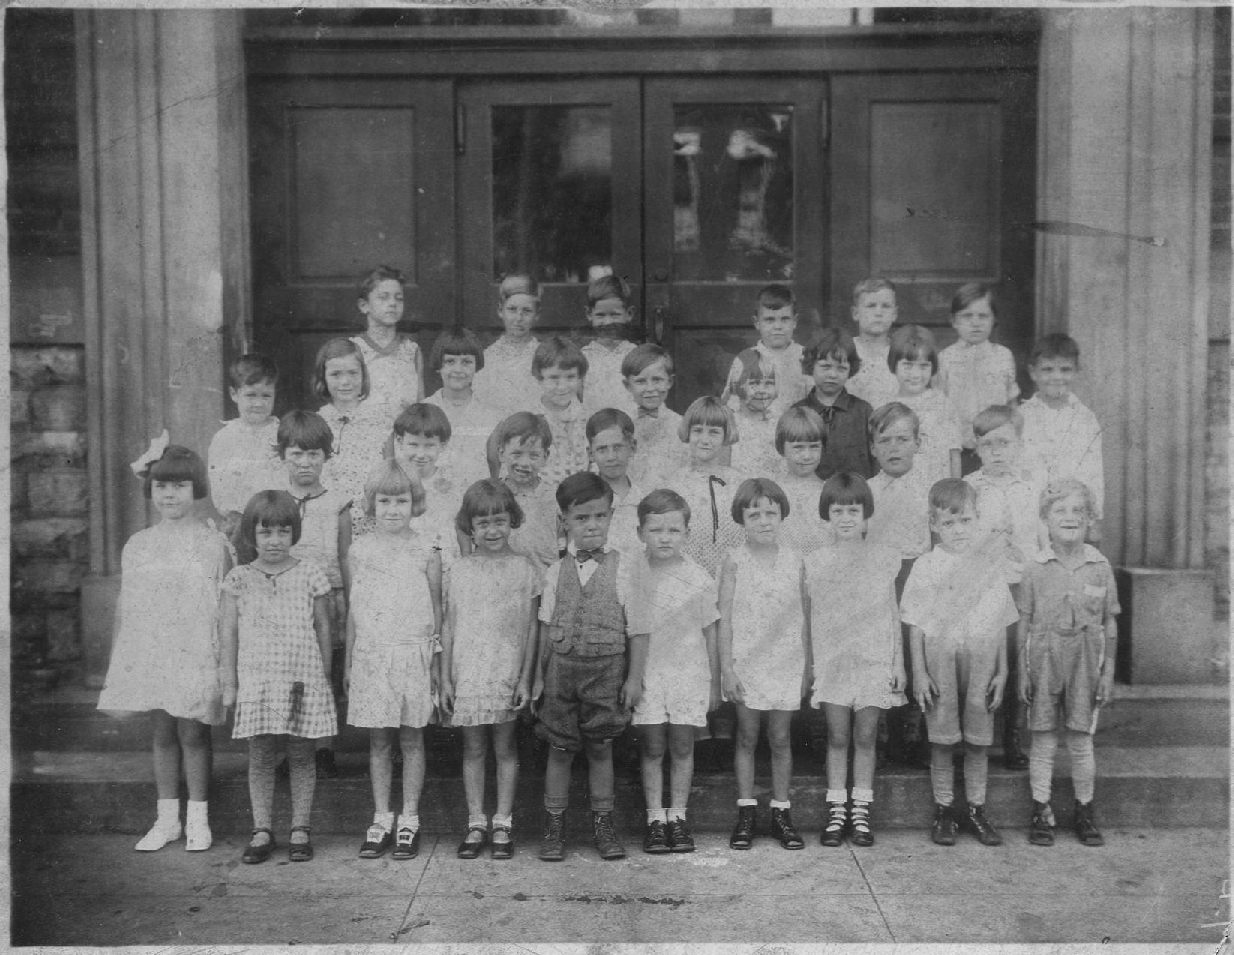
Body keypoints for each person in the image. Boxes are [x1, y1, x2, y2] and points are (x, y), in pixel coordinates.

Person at [98, 443, 231, 852]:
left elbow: (222, 606)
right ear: (150, 489)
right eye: (161, 486)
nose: (170, 495)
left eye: (179, 485)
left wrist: (223, 662)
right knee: (162, 732)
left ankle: (198, 819)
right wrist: (122, 660)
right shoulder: (139, 544)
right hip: (155, 650)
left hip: (196, 649)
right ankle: (167, 819)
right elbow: (128, 605)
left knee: (193, 732)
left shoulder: (212, 543)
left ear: (196, 489)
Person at [533, 472, 650, 862]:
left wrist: (634, 679)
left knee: (601, 747)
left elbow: (639, 629)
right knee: (559, 748)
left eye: (600, 516)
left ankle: (604, 825)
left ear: (611, 516)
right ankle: (553, 828)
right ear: (564, 520)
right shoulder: (555, 572)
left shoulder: (626, 568)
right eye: (582, 518)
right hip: (561, 673)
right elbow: (545, 627)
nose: (592, 525)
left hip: (606, 674)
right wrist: (538, 676)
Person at [901, 479, 1018, 848]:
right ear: (934, 525)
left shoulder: (989, 566)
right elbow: (916, 624)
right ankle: (944, 809)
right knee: (942, 738)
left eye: (965, 521)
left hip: (982, 660)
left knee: (978, 740)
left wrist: (1002, 671)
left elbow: (1000, 623)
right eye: (949, 523)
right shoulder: (926, 566)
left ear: (977, 519)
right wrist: (920, 672)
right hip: (940, 661)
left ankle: (976, 809)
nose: (958, 530)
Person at [221, 490, 335, 864]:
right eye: (265, 532)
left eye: (283, 532)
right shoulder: (239, 578)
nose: (274, 541)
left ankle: (300, 828)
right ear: (251, 534)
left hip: (301, 678)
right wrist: (230, 683)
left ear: (294, 533)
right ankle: (262, 829)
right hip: (258, 681)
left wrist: (324, 675)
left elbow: (323, 626)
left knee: (302, 754)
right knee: (261, 754)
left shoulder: (310, 574)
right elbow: (228, 633)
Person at [345, 461, 442, 862]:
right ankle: (381, 816)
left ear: (414, 503)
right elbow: (354, 610)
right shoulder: (360, 550)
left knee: (412, 738)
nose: (392, 509)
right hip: (372, 655)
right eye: (384, 501)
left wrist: (435, 662)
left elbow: (437, 610)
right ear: (372, 504)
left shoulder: (427, 549)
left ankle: (410, 819)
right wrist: (350, 661)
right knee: (379, 739)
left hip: (413, 652)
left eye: (401, 501)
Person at [443, 480, 542, 859]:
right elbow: (449, 625)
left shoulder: (524, 568)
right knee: (473, 748)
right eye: (482, 523)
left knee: (505, 747)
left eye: (499, 521)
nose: (492, 530)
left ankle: (503, 822)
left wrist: (525, 678)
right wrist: (445, 678)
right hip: (469, 671)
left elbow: (532, 628)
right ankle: (475, 822)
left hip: (506, 670)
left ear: (511, 520)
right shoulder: (459, 570)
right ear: (469, 526)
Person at [1018, 479, 1120, 848]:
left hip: (1085, 661)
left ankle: (1084, 809)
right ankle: (1041, 809)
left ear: (1090, 518)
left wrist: (1108, 672)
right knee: (1043, 737)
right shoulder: (1035, 567)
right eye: (1060, 510)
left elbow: (1109, 622)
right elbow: (1024, 622)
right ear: (1045, 519)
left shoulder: (1099, 566)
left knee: (1080, 737)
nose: (1070, 517)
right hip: (1044, 660)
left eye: (1078, 510)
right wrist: (1022, 672)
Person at [806, 472, 906, 847]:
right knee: (837, 736)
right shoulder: (816, 561)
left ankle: (860, 811)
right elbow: (812, 618)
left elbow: (892, 613)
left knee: (866, 735)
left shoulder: (883, 558)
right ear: (827, 515)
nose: (846, 518)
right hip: (834, 659)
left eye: (853, 510)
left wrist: (898, 662)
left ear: (866, 515)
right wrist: (814, 664)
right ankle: (837, 810)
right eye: (838, 511)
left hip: (873, 657)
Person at [718, 478, 810, 851]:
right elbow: (724, 618)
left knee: (780, 737)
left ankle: (781, 813)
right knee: (746, 735)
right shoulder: (734, 560)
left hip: (786, 659)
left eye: (770, 513)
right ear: (741, 519)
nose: (763, 521)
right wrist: (727, 668)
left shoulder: (795, 559)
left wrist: (807, 667)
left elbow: (805, 616)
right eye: (754, 514)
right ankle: (746, 813)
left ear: (781, 515)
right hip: (747, 660)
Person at [629, 489, 721, 854]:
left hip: (689, 673)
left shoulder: (698, 577)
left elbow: (710, 632)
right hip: (650, 673)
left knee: (683, 745)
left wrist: (712, 683)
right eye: (655, 530)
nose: (664, 538)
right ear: (640, 533)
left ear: (686, 533)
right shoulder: (633, 573)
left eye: (673, 530)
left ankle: (678, 817)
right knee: (653, 746)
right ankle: (655, 817)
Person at [965, 404, 1047, 770]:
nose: (997, 452)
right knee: (983, 659)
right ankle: (975, 734)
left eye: (1005, 443)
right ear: (977, 447)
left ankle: (1014, 737)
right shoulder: (970, 487)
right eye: (988, 444)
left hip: (1021, 585)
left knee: (1018, 659)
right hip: (983, 587)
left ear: (1019, 445)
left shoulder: (1032, 486)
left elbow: (1042, 539)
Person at [276, 410, 353, 780]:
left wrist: (351, 600)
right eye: (297, 454)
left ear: (326, 456)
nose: (305, 462)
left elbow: (345, 556)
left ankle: (324, 748)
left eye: (313, 454)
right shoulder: (276, 501)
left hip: (330, 598)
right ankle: (294, 749)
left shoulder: (338, 503)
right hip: (289, 601)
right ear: (283, 455)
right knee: (291, 675)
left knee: (327, 674)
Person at [865, 402, 933, 766]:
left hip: (918, 574)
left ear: (918, 443)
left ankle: (914, 733)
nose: (893, 448)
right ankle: (881, 733)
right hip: (878, 578)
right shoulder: (866, 491)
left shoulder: (929, 490)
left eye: (902, 439)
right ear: (873, 448)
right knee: (883, 650)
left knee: (916, 650)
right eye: (885, 440)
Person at [1018, 333, 1104, 541]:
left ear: (1076, 371)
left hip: (1071, 513)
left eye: (1065, 369)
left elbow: (1094, 472)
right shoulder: (1021, 416)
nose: (1057, 377)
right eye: (1047, 369)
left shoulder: (1085, 418)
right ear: (1033, 372)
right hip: (1030, 514)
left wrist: (1095, 519)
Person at [935, 283, 1021, 475]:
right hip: (960, 451)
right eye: (967, 316)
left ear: (993, 319)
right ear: (954, 321)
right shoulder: (945, 358)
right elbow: (939, 408)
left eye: (983, 316)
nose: (975, 323)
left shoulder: (1003, 356)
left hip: (996, 448)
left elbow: (1012, 404)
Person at [313, 338, 390, 535]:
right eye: (335, 374)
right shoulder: (315, 424)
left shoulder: (382, 424)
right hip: (327, 526)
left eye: (353, 373)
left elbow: (392, 476)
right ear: (323, 378)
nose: (345, 382)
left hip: (373, 528)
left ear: (363, 375)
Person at [661, 396, 742, 576]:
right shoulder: (673, 485)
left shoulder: (737, 484)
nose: (704, 440)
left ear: (725, 435)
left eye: (714, 432)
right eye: (698, 431)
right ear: (688, 433)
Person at [207, 354, 283, 537]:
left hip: (279, 521)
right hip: (238, 525)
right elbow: (220, 490)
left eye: (266, 395)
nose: (258, 403)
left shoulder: (283, 435)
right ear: (234, 394)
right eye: (250, 395)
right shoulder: (224, 438)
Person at [792, 326, 876, 480]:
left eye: (841, 368)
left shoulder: (863, 411)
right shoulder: (798, 411)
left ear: (850, 370)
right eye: (825, 366)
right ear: (811, 365)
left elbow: (875, 461)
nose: (832, 374)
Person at [423, 327, 501, 487]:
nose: (458, 369)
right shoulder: (423, 411)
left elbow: (496, 469)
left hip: (477, 498)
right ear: (439, 365)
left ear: (477, 365)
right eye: (450, 361)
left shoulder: (492, 417)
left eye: (466, 362)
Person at [889, 325, 964, 485]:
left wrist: (954, 488)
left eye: (924, 366)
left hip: (938, 486)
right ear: (894, 365)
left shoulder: (942, 403)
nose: (916, 374)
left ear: (933, 367)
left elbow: (954, 454)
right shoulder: (887, 407)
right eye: (908, 365)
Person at [721, 283, 810, 417]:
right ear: (757, 322)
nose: (777, 326)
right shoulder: (745, 359)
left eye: (785, 319)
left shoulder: (806, 357)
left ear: (795, 321)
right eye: (769, 320)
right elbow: (731, 407)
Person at [391, 403, 464, 561]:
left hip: (446, 560)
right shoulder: (391, 483)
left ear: (442, 445)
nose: (421, 454)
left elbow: (462, 529)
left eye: (429, 445)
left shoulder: (454, 484)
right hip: (406, 561)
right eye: (413, 445)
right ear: (400, 440)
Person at [349, 265, 422, 420]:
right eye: (383, 297)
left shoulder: (411, 350)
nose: (393, 303)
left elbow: (420, 402)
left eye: (399, 298)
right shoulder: (353, 349)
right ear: (364, 306)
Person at [492, 411, 561, 570]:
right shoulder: (491, 496)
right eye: (516, 454)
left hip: (544, 581)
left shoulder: (556, 499)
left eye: (534, 456)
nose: (524, 463)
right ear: (501, 453)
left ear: (545, 456)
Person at [472, 273, 543, 413]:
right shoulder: (488, 357)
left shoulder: (545, 356)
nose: (519, 318)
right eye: (512, 309)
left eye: (527, 311)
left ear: (537, 315)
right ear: (500, 310)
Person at [586, 408, 650, 559]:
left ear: (632, 447)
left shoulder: (645, 500)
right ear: (590, 454)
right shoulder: (583, 500)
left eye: (618, 447)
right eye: (602, 449)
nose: (611, 457)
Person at [622, 343, 688, 485]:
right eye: (640, 381)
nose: (650, 388)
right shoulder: (621, 425)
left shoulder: (682, 426)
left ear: (669, 382)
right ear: (627, 386)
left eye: (657, 380)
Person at [532, 336, 592, 490]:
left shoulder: (589, 419)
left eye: (570, 377)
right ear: (539, 379)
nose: (562, 386)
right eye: (554, 378)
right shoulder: (529, 421)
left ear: (580, 378)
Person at [580, 273, 639, 418]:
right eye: (600, 315)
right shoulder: (582, 357)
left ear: (629, 314)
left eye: (615, 314)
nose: (608, 322)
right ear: (589, 314)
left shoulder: (637, 356)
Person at [773, 406, 829, 556]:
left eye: (814, 447)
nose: (806, 456)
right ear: (781, 448)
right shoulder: (771, 493)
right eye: (798, 448)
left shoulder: (830, 493)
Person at [726, 350, 783, 480]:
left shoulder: (779, 425)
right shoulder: (729, 424)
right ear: (737, 384)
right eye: (754, 383)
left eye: (769, 383)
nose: (762, 390)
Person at [845, 277, 900, 412]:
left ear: (894, 314)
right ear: (855, 313)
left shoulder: (902, 353)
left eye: (885, 306)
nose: (878, 313)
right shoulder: (843, 351)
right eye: (871, 306)